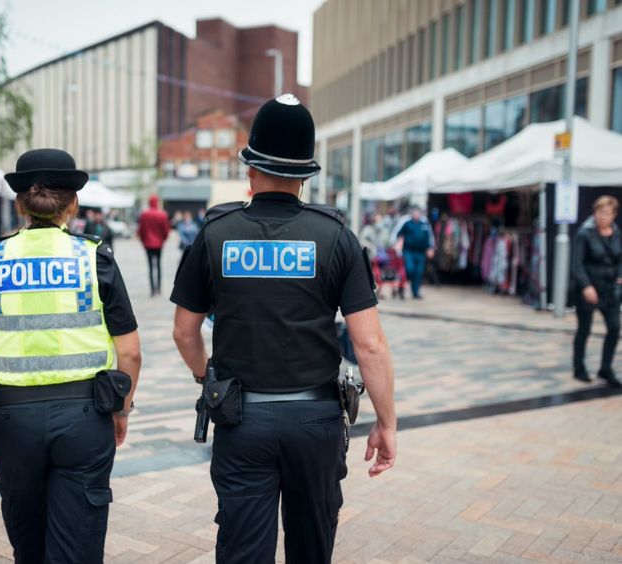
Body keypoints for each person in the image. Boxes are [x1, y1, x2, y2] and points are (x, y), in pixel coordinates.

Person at [171, 94, 397, 563]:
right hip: (315, 423)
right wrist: (386, 423)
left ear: (249, 168)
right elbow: (369, 344)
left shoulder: (214, 234)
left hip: (242, 420)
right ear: (305, 175)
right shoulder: (335, 236)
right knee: (312, 548)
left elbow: (184, 332)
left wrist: (205, 377)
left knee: (242, 550)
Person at [0, 148, 142, 563]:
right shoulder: (95, 258)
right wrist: (121, 411)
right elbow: (130, 352)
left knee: (28, 544)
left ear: (21, 204)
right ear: (72, 204)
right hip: (85, 420)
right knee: (80, 548)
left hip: (15, 423)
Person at [571, 196, 622, 387]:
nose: (602, 217)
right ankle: (579, 368)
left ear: (614, 215)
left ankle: (606, 368)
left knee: (615, 327)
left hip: (611, 289)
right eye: (599, 212)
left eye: (607, 213)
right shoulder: (584, 234)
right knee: (584, 328)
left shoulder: (617, 234)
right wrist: (586, 286)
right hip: (589, 288)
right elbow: (577, 263)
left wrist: (620, 277)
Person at [390, 205, 435, 299]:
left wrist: (431, 248)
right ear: (411, 212)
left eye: (418, 212)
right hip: (408, 251)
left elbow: (430, 236)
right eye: (414, 212)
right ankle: (401, 287)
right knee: (409, 269)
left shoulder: (424, 222)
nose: (416, 214)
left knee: (419, 272)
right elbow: (396, 233)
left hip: (421, 252)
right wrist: (395, 244)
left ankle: (415, 292)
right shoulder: (405, 221)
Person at [137, 194, 170, 296]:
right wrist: (162, 240)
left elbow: (141, 230)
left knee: (151, 266)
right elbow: (166, 230)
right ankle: (158, 288)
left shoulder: (144, 214)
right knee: (159, 265)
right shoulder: (162, 214)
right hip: (159, 244)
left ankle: (152, 290)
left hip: (148, 244)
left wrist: (143, 241)